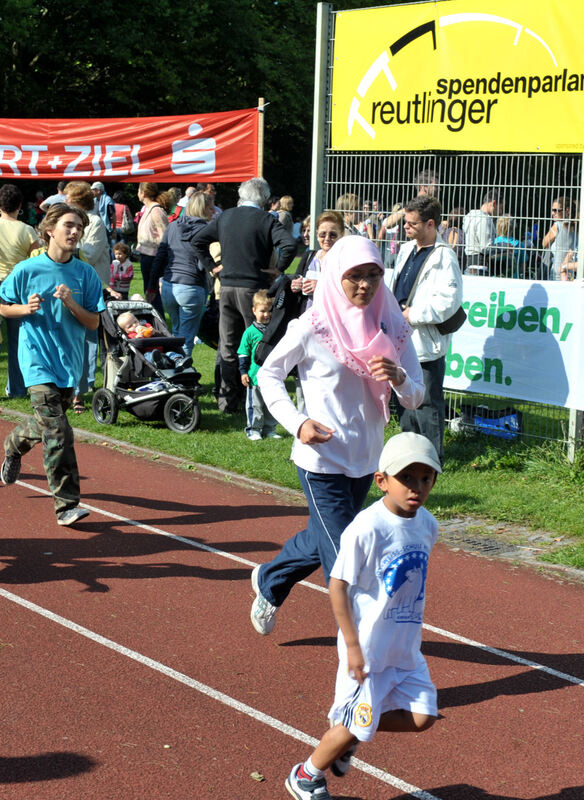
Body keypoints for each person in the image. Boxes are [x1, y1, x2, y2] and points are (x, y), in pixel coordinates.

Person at [250, 236, 424, 635]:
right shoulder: (313, 326)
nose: (365, 285)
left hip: (366, 459)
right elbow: (269, 374)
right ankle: (365, 650)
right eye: (355, 277)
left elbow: (416, 397)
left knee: (320, 536)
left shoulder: (393, 326)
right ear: (334, 276)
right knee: (346, 553)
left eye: (373, 276)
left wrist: (399, 380)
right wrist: (297, 422)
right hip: (320, 460)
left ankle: (269, 580)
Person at [285, 432, 440, 800]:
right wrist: (352, 647)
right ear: (382, 480)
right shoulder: (368, 528)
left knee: (423, 717)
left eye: (426, 477)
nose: (416, 487)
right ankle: (306, 775)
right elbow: (338, 585)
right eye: (406, 477)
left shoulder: (427, 524)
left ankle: (354, 731)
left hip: (405, 649)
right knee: (354, 721)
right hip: (368, 649)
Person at [0, 204, 106, 526]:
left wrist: (71, 302)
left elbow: (93, 323)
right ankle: (66, 505)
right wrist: (23, 309)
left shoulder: (85, 274)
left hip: (68, 364)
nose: (75, 232)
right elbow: (4, 307)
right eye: (69, 226)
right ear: (50, 230)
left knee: (46, 425)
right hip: (36, 362)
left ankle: (13, 446)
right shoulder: (27, 270)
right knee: (59, 431)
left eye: (79, 227)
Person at [192, 177, 297, 414]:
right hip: (254, 290)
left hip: (227, 288)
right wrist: (278, 268)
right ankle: (256, 400)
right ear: (264, 198)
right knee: (257, 344)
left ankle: (227, 402)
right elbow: (289, 245)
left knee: (228, 347)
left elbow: (198, 240)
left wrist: (212, 266)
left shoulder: (225, 216)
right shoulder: (266, 219)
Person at [385, 195, 463, 466]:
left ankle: (432, 459)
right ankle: (409, 453)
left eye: (411, 223)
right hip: (400, 338)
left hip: (424, 340)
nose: (405, 227)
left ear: (431, 224)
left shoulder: (445, 256)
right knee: (405, 398)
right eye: (405, 222)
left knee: (428, 403)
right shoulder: (406, 249)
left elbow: (448, 302)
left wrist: (411, 314)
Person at [64, 180, 112, 413]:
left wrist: (68, 244)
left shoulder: (95, 222)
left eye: (68, 198)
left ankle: (84, 391)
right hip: (71, 284)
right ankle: (72, 389)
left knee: (92, 342)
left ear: (78, 200)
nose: (64, 201)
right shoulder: (66, 222)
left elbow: (90, 255)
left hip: (93, 287)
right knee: (72, 338)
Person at [151, 190, 213, 360]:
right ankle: (181, 374)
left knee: (176, 334)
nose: (213, 211)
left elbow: (160, 257)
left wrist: (151, 285)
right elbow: (203, 261)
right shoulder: (206, 230)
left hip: (169, 287)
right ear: (203, 209)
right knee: (186, 338)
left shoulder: (172, 226)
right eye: (210, 208)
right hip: (192, 286)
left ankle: (171, 368)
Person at [0, 183, 43, 398]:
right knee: (17, 342)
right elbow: (36, 261)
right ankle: (16, 389)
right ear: (19, 206)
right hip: (16, 286)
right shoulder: (27, 230)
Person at [237, 289, 281, 441]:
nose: (267, 314)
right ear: (254, 310)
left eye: (270, 311)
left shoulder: (275, 330)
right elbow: (243, 353)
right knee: (255, 405)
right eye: (263, 311)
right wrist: (243, 372)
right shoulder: (249, 332)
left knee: (271, 404)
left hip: (272, 375)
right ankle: (254, 429)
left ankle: (270, 428)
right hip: (254, 376)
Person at [290, 210, 345, 312]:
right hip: (306, 318)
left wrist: (320, 287)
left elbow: (348, 292)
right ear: (316, 234)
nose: (327, 239)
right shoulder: (309, 256)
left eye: (332, 234)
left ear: (342, 235)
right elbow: (297, 277)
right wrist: (295, 284)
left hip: (332, 319)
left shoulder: (345, 260)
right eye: (322, 234)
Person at [135, 183, 170, 317]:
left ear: (143, 192)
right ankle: (154, 319)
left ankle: (158, 320)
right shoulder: (148, 209)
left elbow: (164, 236)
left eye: (139, 190)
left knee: (152, 292)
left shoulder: (156, 211)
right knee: (149, 292)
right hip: (146, 255)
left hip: (154, 257)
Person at [117, 311, 192, 371]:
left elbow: (160, 334)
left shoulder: (146, 326)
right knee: (148, 355)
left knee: (170, 353)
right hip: (147, 353)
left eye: (135, 321)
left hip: (162, 351)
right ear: (126, 331)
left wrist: (153, 332)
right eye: (130, 326)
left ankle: (179, 361)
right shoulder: (131, 336)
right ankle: (159, 361)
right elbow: (134, 342)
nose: (134, 325)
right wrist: (137, 337)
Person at [462, 190, 501, 274]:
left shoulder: (470, 216)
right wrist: (503, 247)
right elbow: (486, 247)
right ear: (494, 203)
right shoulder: (484, 219)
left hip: (469, 263)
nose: (500, 212)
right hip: (480, 266)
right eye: (500, 208)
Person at [541, 196, 577, 280]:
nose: (553, 213)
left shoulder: (557, 225)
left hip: (556, 272)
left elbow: (544, 243)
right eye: (552, 210)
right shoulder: (577, 228)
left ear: (567, 210)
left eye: (556, 210)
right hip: (570, 272)